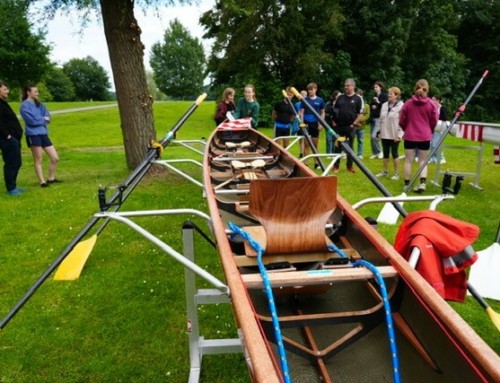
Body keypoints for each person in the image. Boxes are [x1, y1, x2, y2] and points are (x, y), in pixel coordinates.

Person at [399, 79, 439, 193]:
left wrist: (406, 129)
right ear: (427, 89)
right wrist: (429, 129)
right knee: (423, 160)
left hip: (410, 134)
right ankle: (422, 183)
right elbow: (434, 120)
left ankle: (407, 184)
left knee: (408, 160)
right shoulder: (431, 104)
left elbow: (402, 120)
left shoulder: (408, 103)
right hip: (425, 135)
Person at [20, 84, 61, 187]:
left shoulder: (40, 105)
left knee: (55, 158)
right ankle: (42, 182)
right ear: (28, 92)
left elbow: (48, 117)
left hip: (43, 133)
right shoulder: (24, 106)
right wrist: (43, 119)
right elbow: (31, 121)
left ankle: (51, 178)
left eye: (37, 91)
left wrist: (42, 119)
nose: (37, 93)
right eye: (35, 91)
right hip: (33, 135)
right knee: (38, 159)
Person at [331, 78, 364, 173]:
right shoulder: (340, 97)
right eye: (345, 85)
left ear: (353, 86)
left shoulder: (358, 98)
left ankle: (349, 166)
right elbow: (335, 109)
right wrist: (333, 120)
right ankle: (336, 166)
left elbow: (361, 113)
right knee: (337, 146)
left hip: (350, 126)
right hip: (339, 126)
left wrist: (354, 123)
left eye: (348, 85)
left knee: (350, 147)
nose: (346, 87)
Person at [0, 81, 24, 196]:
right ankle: (11, 189)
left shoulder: (3, 103)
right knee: (11, 163)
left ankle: (14, 186)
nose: (7, 91)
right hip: (8, 139)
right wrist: (7, 136)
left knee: (17, 162)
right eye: (5, 89)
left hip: (13, 138)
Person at [376, 87, 404, 180]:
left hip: (395, 134)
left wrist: (400, 135)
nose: (389, 95)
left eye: (391, 94)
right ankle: (385, 171)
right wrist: (379, 132)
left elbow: (403, 122)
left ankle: (396, 174)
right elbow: (381, 120)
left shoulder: (401, 106)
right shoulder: (384, 105)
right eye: (388, 94)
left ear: (396, 95)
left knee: (394, 153)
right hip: (385, 134)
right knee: (385, 153)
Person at [299, 82, 325, 168]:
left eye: (312, 89)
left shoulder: (320, 100)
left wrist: (321, 123)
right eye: (309, 90)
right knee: (306, 144)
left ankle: (316, 163)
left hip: (315, 124)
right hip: (306, 123)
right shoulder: (305, 100)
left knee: (315, 145)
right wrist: (302, 123)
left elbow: (322, 112)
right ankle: (306, 163)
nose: (310, 91)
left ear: (316, 89)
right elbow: (302, 112)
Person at [369, 81, 388, 159]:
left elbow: (385, 106)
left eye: (376, 87)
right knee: (371, 137)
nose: (375, 88)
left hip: (379, 118)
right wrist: (373, 106)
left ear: (381, 87)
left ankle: (380, 151)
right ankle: (375, 153)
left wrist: (378, 102)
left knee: (375, 136)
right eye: (374, 87)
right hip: (373, 118)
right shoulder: (374, 96)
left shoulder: (384, 96)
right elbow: (372, 105)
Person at [429, 95, 448, 164]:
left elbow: (445, 118)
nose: (432, 101)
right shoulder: (431, 108)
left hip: (440, 128)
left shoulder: (443, 108)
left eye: (433, 100)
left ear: (438, 100)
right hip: (432, 128)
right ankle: (432, 158)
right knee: (430, 144)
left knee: (436, 144)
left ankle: (441, 158)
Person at [355, 89, 370, 159]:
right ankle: (349, 153)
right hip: (354, 125)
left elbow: (367, 115)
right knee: (349, 140)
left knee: (360, 140)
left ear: (362, 95)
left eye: (359, 95)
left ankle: (360, 154)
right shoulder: (353, 103)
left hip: (362, 126)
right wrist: (356, 122)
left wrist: (359, 120)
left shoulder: (366, 105)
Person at [324, 89, 340, 154]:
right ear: (335, 96)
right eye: (338, 95)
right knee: (328, 139)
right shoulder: (328, 104)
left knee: (335, 139)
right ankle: (328, 153)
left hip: (337, 124)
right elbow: (326, 113)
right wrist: (332, 118)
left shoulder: (340, 104)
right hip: (328, 123)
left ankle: (334, 153)